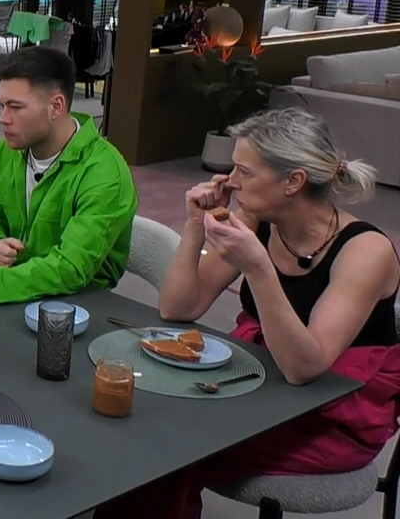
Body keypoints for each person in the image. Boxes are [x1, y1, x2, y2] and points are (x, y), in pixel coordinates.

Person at [97, 107, 400, 519]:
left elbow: (304, 368)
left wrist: (258, 268)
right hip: (258, 381)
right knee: (145, 422)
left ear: (293, 181)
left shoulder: (366, 252)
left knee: (167, 451)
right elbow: (179, 307)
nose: (231, 181)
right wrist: (195, 224)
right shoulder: (258, 219)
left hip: (333, 415)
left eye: (245, 171)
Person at [0, 45, 137, 305]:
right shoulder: (5, 151)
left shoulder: (104, 173)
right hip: (13, 289)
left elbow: (70, 268)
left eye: (15, 107)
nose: (3, 118)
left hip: (77, 304)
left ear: (56, 106)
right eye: (1, 105)